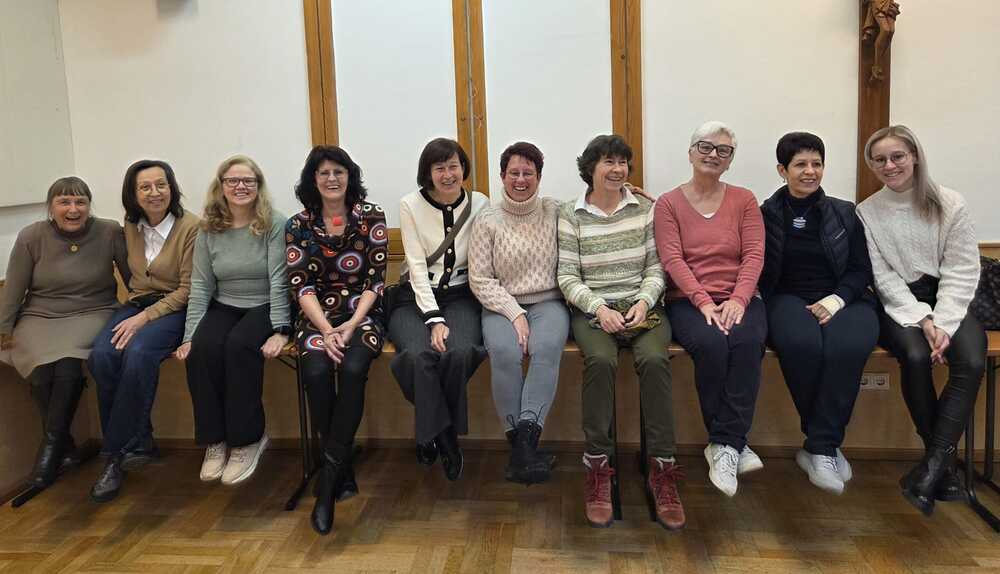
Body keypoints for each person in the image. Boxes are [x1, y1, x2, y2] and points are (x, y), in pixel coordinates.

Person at [857, 125, 985, 516]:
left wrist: (943, 321)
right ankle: (941, 469)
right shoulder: (867, 211)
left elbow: (962, 268)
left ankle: (931, 468)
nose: (889, 166)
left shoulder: (949, 202)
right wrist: (922, 319)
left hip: (951, 299)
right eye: (879, 160)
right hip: (899, 305)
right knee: (914, 356)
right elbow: (882, 278)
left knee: (972, 361)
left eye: (897, 156)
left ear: (914, 156)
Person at [558, 134, 682, 530]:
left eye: (623, 162)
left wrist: (644, 302)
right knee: (599, 360)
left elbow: (657, 268)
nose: (617, 170)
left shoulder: (645, 209)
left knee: (655, 360)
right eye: (608, 162)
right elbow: (567, 276)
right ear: (590, 168)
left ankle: (662, 469)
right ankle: (598, 466)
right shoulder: (570, 214)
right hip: (594, 310)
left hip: (645, 308)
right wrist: (599, 308)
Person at [759, 132, 878, 495]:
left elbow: (861, 269)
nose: (810, 171)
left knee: (846, 348)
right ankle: (824, 445)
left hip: (846, 297)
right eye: (800, 164)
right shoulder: (765, 214)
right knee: (802, 345)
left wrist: (837, 299)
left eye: (817, 164)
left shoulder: (845, 212)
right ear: (782, 170)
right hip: (787, 297)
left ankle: (819, 447)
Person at [653, 121, 766, 499]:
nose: (713, 155)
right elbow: (672, 259)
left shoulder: (744, 200)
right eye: (705, 147)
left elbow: (754, 254)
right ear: (690, 153)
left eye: (723, 150)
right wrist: (703, 301)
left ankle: (724, 444)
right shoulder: (669, 203)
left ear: (730, 160)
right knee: (712, 344)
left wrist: (737, 299)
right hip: (688, 301)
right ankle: (733, 443)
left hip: (740, 297)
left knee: (747, 343)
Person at [0, 177, 129, 488]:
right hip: (40, 314)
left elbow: (133, 278)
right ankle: (65, 445)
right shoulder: (31, 236)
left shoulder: (110, 231)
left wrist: (145, 315)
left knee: (69, 363)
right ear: (51, 207)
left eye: (80, 202)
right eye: (64, 202)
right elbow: (14, 288)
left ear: (89, 206)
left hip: (93, 310)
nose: (73, 209)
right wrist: (4, 328)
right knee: (41, 371)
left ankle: (49, 450)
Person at [285, 145, 387, 534]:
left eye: (339, 172)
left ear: (350, 177)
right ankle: (339, 469)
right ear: (313, 179)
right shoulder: (298, 224)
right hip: (317, 317)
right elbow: (301, 285)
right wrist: (327, 329)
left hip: (363, 314)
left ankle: (327, 483)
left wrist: (351, 325)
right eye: (324, 173)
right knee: (313, 372)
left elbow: (375, 281)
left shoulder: (371, 216)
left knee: (354, 367)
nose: (332, 179)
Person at [87, 159, 199, 502]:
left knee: (137, 353)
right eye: (145, 187)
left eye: (161, 185)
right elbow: (134, 279)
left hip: (174, 310)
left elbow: (188, 289)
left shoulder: (192, 227)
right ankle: (139, 439)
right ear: (133, 195)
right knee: (102, 355)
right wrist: (136, 313)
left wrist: (145, 318)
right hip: (136, 305)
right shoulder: (130, 226)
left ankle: (115, 455)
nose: (154, 193)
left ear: (172, 188)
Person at [174, 156, 289, 486]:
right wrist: (189, 336)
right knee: (202, 349)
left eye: (248, 181)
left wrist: (281, 330)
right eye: (233, 181)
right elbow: (201, 285)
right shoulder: (208, 228)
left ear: (258, 186)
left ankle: (248, 440)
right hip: (225, 303)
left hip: (266, 304)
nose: (241, 187)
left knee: (239, 347)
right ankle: (216, 440)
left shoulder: (274, 223)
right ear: (221, 186)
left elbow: (280, 280)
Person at [388, 137, 488, 483]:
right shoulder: (410, 204)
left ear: (463, 168)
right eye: (439, 168)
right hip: (413, 299)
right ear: (427, 173)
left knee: (460, 352)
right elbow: (416, 265)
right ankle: (446, 438)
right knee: (417, 357)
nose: (448, 174)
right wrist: (433, 319)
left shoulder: (479, 203)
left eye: (453, 166)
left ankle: (428, 430)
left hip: (462, 296)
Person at [469, 141, 566, 485]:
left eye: (528, 173)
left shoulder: (556, 211)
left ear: (539, 176)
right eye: (514, 173)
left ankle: (523, 449)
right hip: (499, 304)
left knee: (546, 349)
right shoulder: (487, 219)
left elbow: (597, 205)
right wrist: (514, 312)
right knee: (504, 352)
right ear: (502, 176)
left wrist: (634, 194)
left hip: (548, 302)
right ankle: (523, 451)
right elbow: (480, 279)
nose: (521, 179)